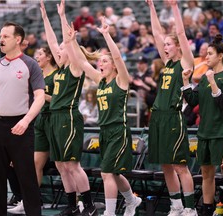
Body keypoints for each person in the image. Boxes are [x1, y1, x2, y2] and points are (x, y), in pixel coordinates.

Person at [62, 8, 142, 215]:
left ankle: (109, 212)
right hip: (104, 130)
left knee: (106, 172)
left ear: (114, 66)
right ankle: (131, 200)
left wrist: (106, 34)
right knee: (114, 174)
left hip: (119, 130)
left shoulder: (121, 80)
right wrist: (71, 41)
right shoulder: (100, 80)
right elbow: (79, 62)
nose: (100, 63)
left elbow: (118, 56)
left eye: (105, 61)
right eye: (100, 61)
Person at [40, 0, 99, 215]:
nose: (58, 50)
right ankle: (72, 205)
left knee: (72, 165)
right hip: (55, 117)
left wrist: (64, 18)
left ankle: (90, 206)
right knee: (60, 165)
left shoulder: (75, 66)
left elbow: (65, 41)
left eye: (63, 48)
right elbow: (53, 40)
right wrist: (46, 18)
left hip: (69, 117)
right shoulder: (61, 69)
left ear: (71, 50)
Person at [146, 0, 197, 215]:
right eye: (164, 45)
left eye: (169, 44)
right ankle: (176, 205)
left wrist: (175, 8)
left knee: (180, 166)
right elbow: (157, 33)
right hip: (158, 116)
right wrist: (151, 8)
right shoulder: (166, 63)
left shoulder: (185, 63)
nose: (165, 47)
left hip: (174, 116)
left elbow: (182, 34)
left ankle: (190, 208)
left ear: (177, 46)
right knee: (165, 165)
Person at [0, 21, 45, 216]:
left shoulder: (30, 64)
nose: (1, 39)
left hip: (21, 126)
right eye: (0, 36)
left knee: (27, 179)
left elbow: (40, 97)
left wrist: (26, 120)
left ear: (18, 39)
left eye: (6, 36)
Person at [182, 34, 223, 216]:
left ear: (220, 56)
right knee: (206, 173)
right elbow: (192, 100)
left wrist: (213, 81)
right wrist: (186, 82)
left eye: (210, 54)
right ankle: (207, 208)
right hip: (204, 132)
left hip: (222, 132)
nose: (206, 57)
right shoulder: (205, 78)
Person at [7, 45, 59, 215]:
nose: (37, 57)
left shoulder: (56, 76)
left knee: (66, 165)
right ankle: (29, 201)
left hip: (55, 120)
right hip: (39, 121)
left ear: (49, 57)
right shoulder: (38, 76)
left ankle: (78, 201)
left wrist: (41, 95)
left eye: (40, 54)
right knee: (33, 164)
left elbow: (61, 100)